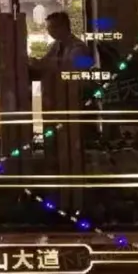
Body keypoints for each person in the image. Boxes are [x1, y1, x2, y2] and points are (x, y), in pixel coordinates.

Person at [28, 11, 92, 194]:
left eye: (52, 28)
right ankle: (56, 187)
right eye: (48, 28)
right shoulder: (56, 46)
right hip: (53, 105)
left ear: (63, 27)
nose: (50, 32)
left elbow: (71, 69)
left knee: (69, 150)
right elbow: (44, 65)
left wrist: (47, 65)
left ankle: (72, 191)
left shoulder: (78, 48)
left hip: (70, 106)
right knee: (52, 147)